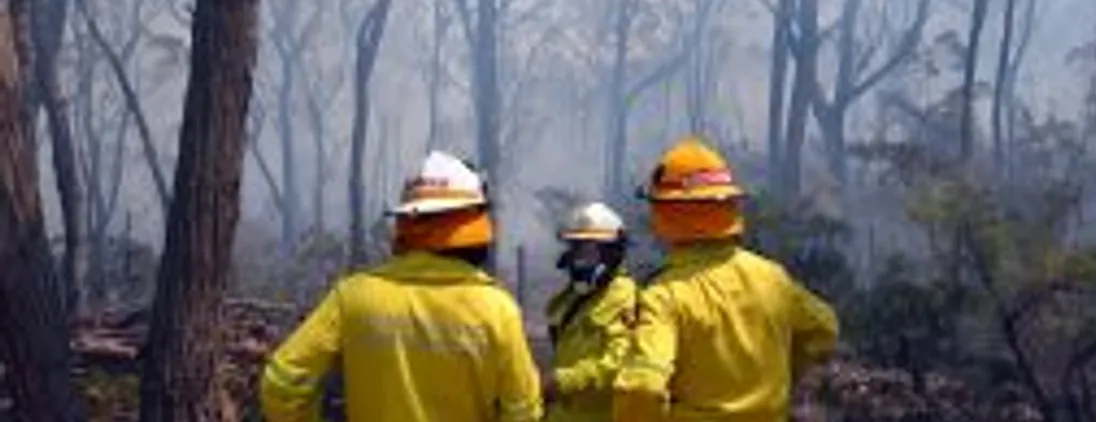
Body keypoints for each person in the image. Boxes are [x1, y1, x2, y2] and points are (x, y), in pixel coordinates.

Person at [259, 151, 543, 422]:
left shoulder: (354, 297)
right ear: (474, 224)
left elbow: (282, 383)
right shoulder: (497, 311)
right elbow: (523, 411)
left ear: (405, 222)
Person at [612, 137, 839, 422]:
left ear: (664, 211)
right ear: (730, 205)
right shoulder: (773, 279)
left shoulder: (665, 296)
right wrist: (781, 374)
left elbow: (642, 388)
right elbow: (825, 329)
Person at [542, 202, 638, 422]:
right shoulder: (576, 297)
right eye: (574, 248)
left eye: (586, 250)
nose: (578, 260)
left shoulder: (623, 296)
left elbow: (622, 361)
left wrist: (564, 381)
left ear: (610, 253)